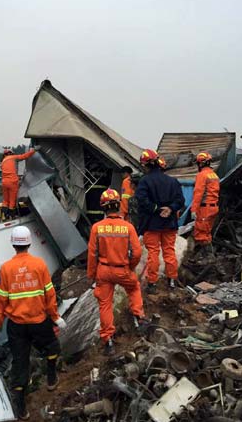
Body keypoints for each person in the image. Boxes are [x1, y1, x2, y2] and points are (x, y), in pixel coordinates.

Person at [0, 225, 66, 419]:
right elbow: (49, 294)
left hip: (16, 326)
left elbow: (1, 299)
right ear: (29, 243)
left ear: (13, 244)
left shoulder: (6, 268)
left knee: (20, 364)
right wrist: (55, 317)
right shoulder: (39, 265)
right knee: (52, 347)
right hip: (39, 320)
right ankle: (51, 378)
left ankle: (21, 408)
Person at [87, 188, 145, 355]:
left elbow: (92, 254)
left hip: (103, 271)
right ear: (118, 205)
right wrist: (131, 267)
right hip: (123, 269)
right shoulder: (128, 227)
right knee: (134, 288)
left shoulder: (96, 228)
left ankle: (108, 341)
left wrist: (92, 275)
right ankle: (139, 317)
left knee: (105, 304)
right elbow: (137, 252)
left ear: (103, 207)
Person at [135, 149, 185, 294]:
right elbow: (180, 200)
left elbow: (142, 200)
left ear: (145, 165)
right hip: (169, 224)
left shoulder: (145, 181)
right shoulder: (172, 181)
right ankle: (172, 281)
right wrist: (170, 208)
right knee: (169, 252)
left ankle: (152, 283)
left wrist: (156, 209)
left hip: (152, 224)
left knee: (153, 253)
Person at [191, 152, 220, 248]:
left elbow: (198, 194)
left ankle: (206, 256)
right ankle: (206, 256)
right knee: (207, 232)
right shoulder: (214, 175)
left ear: (201, 163)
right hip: (213, 207)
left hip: (205, 209)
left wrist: (194, 210)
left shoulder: (202, 175)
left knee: (201, 233)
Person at [1, 146, 37, 220]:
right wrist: (34, 150)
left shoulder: (3, 162)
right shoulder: (13, 157)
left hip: (4, 182)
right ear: (11, 153)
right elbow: (24, 156)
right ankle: (12, 216)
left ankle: (5, 215)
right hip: (12, 182)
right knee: (12, 200)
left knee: (5, 200)